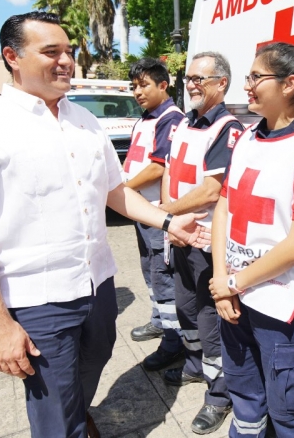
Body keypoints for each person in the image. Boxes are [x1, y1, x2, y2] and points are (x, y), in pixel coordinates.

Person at [0, 11, 208, 438]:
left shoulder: (84, 120)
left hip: (97, 285)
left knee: (94, 362)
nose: (66, 61)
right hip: (38, 299)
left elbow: (114, 192)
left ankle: (77, 414)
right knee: (53, 412)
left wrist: (168, 220)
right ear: (12, 56)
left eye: (69, 51)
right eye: (51, 52)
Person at [209, 43, 294, 438]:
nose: (246, 86)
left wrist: (234, 282)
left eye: (255, 77)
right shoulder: (249, 137)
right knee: (245, 397)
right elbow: (225, 208)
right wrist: (222, 283)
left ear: (289, 84)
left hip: (284, 301)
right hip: (236, 295)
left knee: (291, 415)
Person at [160, 52, 243, 434]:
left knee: (210, 320)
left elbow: (213, 191)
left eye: (200, 79)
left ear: (221, 84)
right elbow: (170, 171)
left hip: (205, 241)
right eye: (189, 77)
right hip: (179, 234)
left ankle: (220, 394)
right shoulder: (185, 122)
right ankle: (196, 366)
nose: (191, 84)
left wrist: (165, 211)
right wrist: (167, 215)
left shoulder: (226, 128)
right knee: (185, 307)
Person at [122, 58, 187, 372]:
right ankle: (159, 321)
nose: (137, 92)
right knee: (149, 270)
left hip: (155, 213)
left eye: (144, 85)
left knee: (163, 275)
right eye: (134, 86)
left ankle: (174, 341)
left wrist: (121, 191)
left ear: (164, 85)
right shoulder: (146, 118)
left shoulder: (170, 119)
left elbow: (158, 167)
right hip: (140, 211)